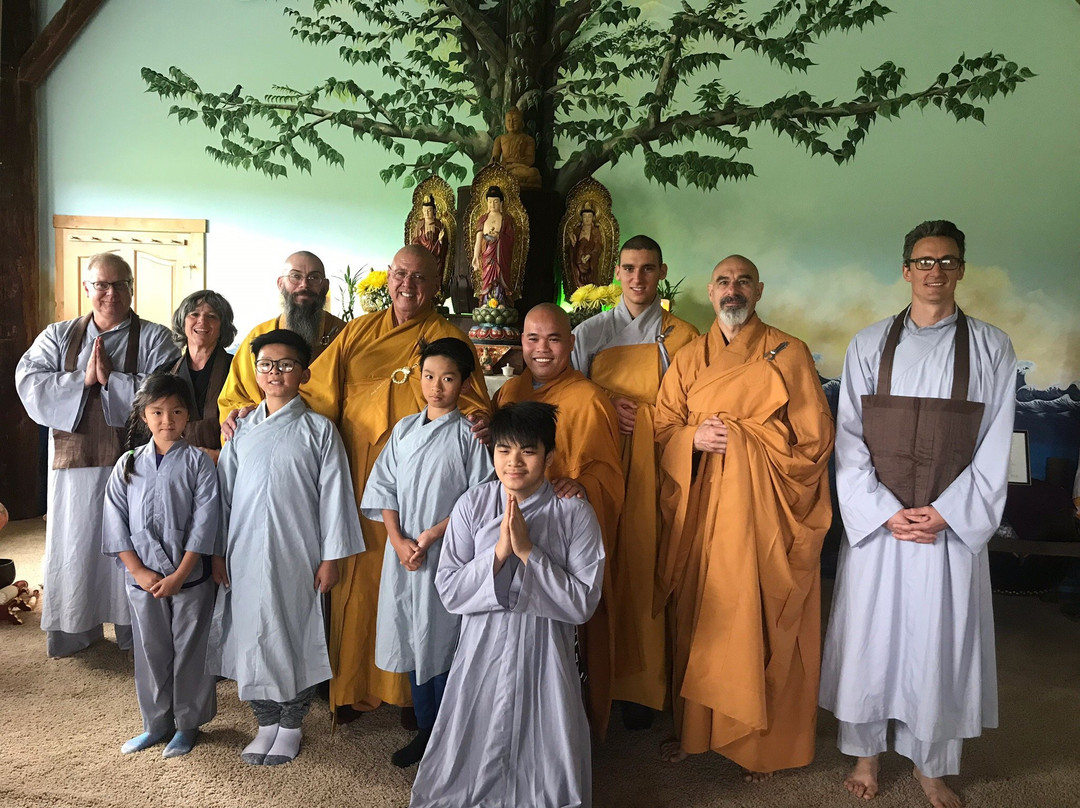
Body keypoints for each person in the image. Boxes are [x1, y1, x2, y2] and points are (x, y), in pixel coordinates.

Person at [819, 221, 1016, 808]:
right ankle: (865, 754)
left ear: (961, 270)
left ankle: (932, 764)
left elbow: (995, 442)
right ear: (906, 270)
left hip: (945, 531)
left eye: (947, 261)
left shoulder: (991, 347)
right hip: (880, 527)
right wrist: (882, 511)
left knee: (938, 645)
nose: (936, 271)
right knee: (871, 641)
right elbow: (849, 440)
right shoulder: (868, 344)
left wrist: (947, 514)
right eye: (924, 261)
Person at [654, 255, 835, 778]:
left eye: (743, 282)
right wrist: (694, 437)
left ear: (759, 291)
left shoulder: (788, 352)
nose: (733, 291)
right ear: (710, 293)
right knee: (702, 616)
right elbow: (664, 427)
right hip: (702, 512)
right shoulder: (689, 357)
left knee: (758, 616)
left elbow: (815, 442)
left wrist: (749, 440)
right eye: (724, 282)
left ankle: (762, 745)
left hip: (764, 515)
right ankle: (697, 733)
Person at [301, 245, 492, 720]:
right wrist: (261, 412)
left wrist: (483, 423)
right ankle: (355, 684)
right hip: (359, 482)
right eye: (401, 274)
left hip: (425, 493)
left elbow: (476, 409)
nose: (408, 285)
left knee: (421, 591)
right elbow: (313, 393)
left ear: (437, 285)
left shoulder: (448, 338)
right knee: (359, 584)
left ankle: (414, 695)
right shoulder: (357, 332)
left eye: (421, 278)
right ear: (388, 277)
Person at [410, 402, 604, 808]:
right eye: (504, 451)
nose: (514, 462)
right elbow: (449, 591)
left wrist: (530, 552)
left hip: (546, 647)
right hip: (482, 644)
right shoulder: (471, 505)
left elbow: (583, 602)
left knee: (547, 739)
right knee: (473, 738)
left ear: (549, 456)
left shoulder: (574, 512)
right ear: (493, 453)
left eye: (528, 451)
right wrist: (497, 554)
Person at [206, 329, 366, 766]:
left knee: (291, 632)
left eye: (286, 365)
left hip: (298, 551)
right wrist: (218, 552)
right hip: (243, 549)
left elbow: (335, 496)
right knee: (249, 634)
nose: (275, 373)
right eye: (266, 365)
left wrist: (331, 558)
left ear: (304, 373)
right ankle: (265, 723)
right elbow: (225, 494)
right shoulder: (239, 428)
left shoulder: (319, 430)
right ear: (255, 373)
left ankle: (292, 725)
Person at [15, 253, 179, 657]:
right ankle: (75, 628)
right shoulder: (58, 335)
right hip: (75, 463)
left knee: (135, 541)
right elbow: (29, 380)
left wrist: (114, 381)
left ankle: (133, 630)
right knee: (76, 543)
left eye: (119, 284)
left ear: (131, 288)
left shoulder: (157, 337)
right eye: (101, 285)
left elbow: (170, 390)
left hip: (136, 464)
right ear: (87, 288)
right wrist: (83, 379)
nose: (110, 293)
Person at [571, 235, 699, 729]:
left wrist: (646, 416)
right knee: (603, 561)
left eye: (648, 268)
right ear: (616, 273)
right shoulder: (591, 331)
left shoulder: (683, 335)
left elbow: (691, 405)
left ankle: (644, 687)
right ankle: (598, 674)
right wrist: (605, 402)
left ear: (661, 271)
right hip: (602, 459)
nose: (638, 278)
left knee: (646, 562)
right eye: (629, 268)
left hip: (659, 461)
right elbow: (569, 389)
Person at [360, 337, 494, 767]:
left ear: (465, 383)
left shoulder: (470, 435)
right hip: (404, 554)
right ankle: (424, 728)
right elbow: (384, 487)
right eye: (429, 376)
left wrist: (432, 535)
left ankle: (449, 732)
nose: (436, 387)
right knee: (414, 638)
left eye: (448, 378)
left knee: (444, 639)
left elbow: (479, 498)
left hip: (448, 554)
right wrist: (398, 539)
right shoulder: (402, 430)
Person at [494, 302, 624, 735]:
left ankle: (563, 728)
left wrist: (584, 484)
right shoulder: (509, 392)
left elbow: (610, 472)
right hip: (511, 529)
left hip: (562, 538)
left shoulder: (589, 398)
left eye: (553, 338)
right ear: (522, 343)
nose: (542, 349)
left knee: (559, 645)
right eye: (532, 338)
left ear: (570, 343)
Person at [101, 373, 219, 758]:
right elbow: (115, 521)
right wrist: (137, 571)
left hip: (189, 577)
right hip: (144, 580)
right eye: (157, 411)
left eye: (176, 411)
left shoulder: (199, 464)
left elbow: (206, 523)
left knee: (190, 649)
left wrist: (181, 573)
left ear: (189, 416)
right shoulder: (128, 464)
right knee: (151, 649)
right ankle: (156, 724)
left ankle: (187, 725)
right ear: (144, 415)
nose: (167, 419)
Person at [217, 251, 345, 420]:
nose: (304, 285)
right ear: (280, 283)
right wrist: (249, 413)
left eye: (314, 278)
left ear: (325, 286)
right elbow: (232, 400)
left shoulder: (345, 334)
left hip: (326, 436)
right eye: (295, 276)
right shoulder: (259, 335)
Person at [161, 290, 237, 461]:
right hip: (176, 464)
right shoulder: (164, 373)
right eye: (194, 314)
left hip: (226, 465)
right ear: (183, 322)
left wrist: (220, 456)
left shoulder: (237, 369)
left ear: (222, 326)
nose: (202, 321)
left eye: (212, 316)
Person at [471, 186, 515, 303]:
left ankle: (500, 300)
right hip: (487, 253)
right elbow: (479, 239)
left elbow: (511, 239)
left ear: (501, 202)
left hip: (500, 254)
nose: (492, 204)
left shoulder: (506, 219)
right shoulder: (483, 219)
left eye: (495, 201)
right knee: (487, 277)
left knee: (499, 276)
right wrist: (475, 256)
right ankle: (486, 301)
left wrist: (499, 237)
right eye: (490, 202)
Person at [490, 106, 542, 188]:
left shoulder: (528, 139)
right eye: (509, 121)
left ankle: (509, 181)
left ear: (521, 122)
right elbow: (495, 156)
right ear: (505, 122)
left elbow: (530, 160)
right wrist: (490, 166)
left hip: (519, 168)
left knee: (533, 172)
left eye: (515, 121)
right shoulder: (500, 138)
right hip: (504, 167)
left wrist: (514, 161)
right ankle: (513, 181)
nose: (511, 124)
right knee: (485, 172)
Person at [411, 195, 448, 279]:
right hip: (422, 255)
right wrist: (420, 248)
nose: (427, 213)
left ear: (434, 210)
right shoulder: (419, 224)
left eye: (429, 210)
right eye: (425, 210)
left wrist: (440, 241)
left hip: (435, 256)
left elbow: (445, 245)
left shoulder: (439, 225)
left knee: (435, 271)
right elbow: (415, 240)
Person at [568, 205, 602, 289]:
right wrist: (573, 244)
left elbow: (598, 246)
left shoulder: (595, 231)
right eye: (585, 217)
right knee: (578, 276)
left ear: (593, 218)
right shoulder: (577, 230)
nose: (587, 219)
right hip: (578, 261)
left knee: (589, 277)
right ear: (581, 218)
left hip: (590, 261)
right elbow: (573, 248)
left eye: (589, 217)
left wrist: (589, 255)